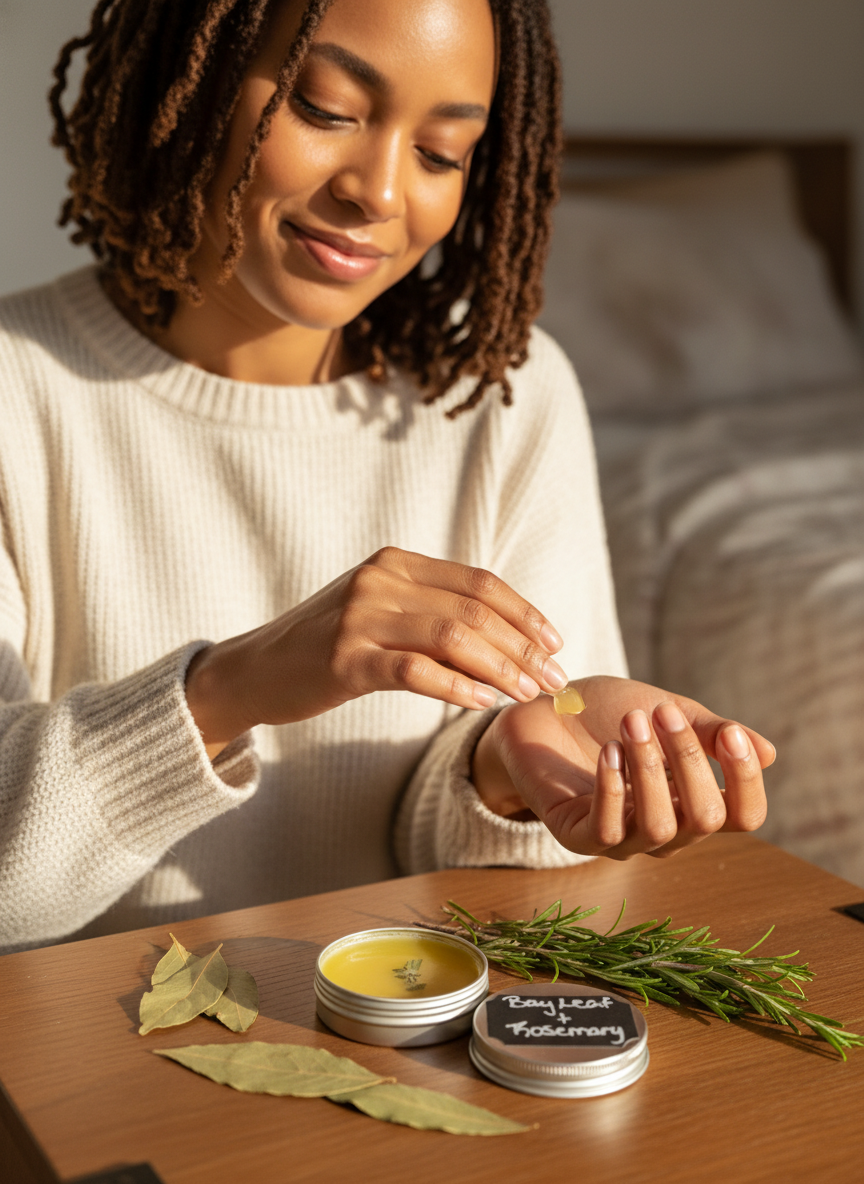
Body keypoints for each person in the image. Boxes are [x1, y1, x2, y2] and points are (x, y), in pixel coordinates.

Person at [0, 0, 774, 951]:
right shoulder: (17, 390)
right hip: (80, 1076)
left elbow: (487, 865)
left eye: (443, 153)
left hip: (397, 1043)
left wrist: (504, 777)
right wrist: (231, 688)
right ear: (188, 80)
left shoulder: (502, 394)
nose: (380, 191)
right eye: (325, 109)